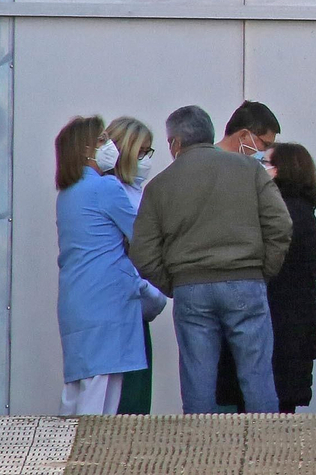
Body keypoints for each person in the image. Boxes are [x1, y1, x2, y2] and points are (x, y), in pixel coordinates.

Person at [131, 104, 292, 413]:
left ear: (176, 143)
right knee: (257, 375)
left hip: (191, 288)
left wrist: (174, 284)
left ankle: (200, 453)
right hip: (245, 282)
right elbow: (281, 225)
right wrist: (263, 271)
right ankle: (270, 449)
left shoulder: (159, 186)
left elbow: (142, 250)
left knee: (198, 380)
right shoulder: (250, 171)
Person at [217, 141, 316, 413]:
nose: (259, 166)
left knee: (260, 408)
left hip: (274, 321)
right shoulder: (302, 211)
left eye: (265, 163)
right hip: (292, 326)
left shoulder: (279, 211)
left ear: (283, 170)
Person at [53, 116, 148, 415]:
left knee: (75, 392)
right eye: (102, 140)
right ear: (86, 149)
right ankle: (90, 459)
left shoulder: (67, 193)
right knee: (102, 399)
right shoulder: (106, 188)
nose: (110, 147)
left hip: (76, 299)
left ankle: (59, 453)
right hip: (107, 300)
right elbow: (142, 236)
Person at [101, 116, 168, 414]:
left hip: (138, 305)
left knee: (137, 397)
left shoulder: (137, 192)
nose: (146, 160)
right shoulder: (112, 191)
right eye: (142, 152)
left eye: (149, 153)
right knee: (124, 399)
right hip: (124, 303)